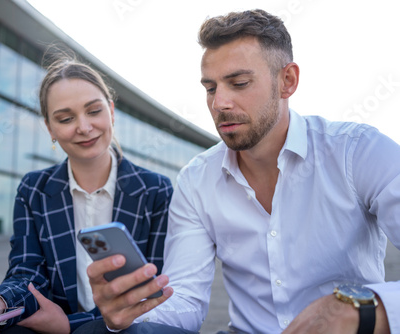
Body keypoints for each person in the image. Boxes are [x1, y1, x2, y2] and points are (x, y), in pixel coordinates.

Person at [82, 9, 400, 334]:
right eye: (210, 88)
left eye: (239, 83)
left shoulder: (358, 152)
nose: (219, 103)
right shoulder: (195, 180)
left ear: (287, 81)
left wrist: (366, 308)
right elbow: (186, 301)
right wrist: (129, 316)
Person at [0, 57, 173, 333]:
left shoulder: (155, 190)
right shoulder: (34, 189)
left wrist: (67, 326)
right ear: (50, 128)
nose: (84, 127)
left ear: (111, 111)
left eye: (94, 111)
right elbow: (28, 275)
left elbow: (153, 289)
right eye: (66, 118)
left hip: (126, 325)